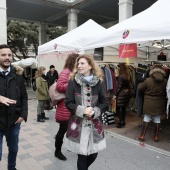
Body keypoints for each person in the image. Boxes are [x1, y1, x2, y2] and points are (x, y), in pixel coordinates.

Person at [64, 54, 108, 170]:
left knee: (94, 154)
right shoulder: (73, 81)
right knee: (82, 155)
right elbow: (68, 102)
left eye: (82, 63)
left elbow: (105, 103)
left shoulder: (99, 82)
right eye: (78, 63)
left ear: (90, 66)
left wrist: (95, 111)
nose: (79, 66)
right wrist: (83, 110)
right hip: (78, 125)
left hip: (94, 125)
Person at [0, 44, 28, 170]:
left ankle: (12, 168)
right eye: (3, 55)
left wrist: (23, 115)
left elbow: (24, 97)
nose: (7, 57)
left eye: (9, 55)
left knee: (14, 149)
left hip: (14, 122)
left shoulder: (17, 76)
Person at [54, 53, 79, 161]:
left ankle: (71, 147)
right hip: (64, 107)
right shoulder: (66, 72)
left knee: (73, 129)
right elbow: (59, 87)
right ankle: (57, 151)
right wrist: (73, 83)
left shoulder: (74, 72)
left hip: (72, 106)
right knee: (62, 130)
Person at [138, 65, 167, 142]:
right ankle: (156, 136)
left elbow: (140, 88)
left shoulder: (148, 80)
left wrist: (140, 84)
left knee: (146, 118)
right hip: (159, 103)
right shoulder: (165, 81)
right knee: (157, 119)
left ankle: (142, 135)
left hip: (148, 103)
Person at [113, 63, 131, 128]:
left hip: (121, 94)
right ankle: (123, 121)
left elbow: (119, 87)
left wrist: (115, 95)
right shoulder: (127, 76)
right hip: (126, 94)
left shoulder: (121, 77)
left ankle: (121, 121)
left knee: (117, 108)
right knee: (123, 108)